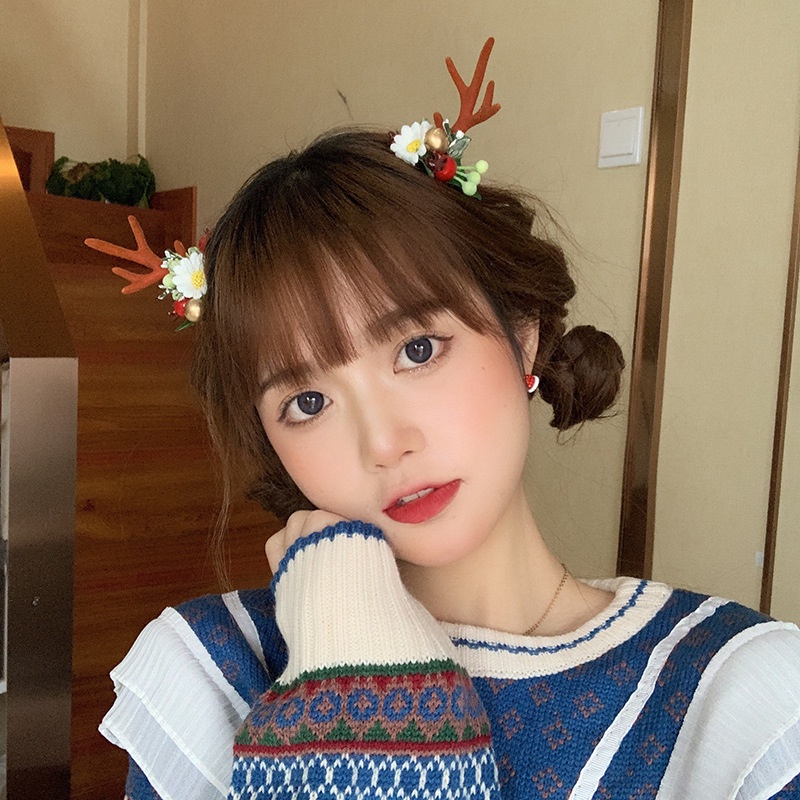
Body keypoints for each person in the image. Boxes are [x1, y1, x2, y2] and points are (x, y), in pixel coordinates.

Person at [99, 87, 800, 800]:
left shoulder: (740, 699)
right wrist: (350, 678)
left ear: (523, 334)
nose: (384, 443)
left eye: (418, 349)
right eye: (308, 403)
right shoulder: (209, 674)